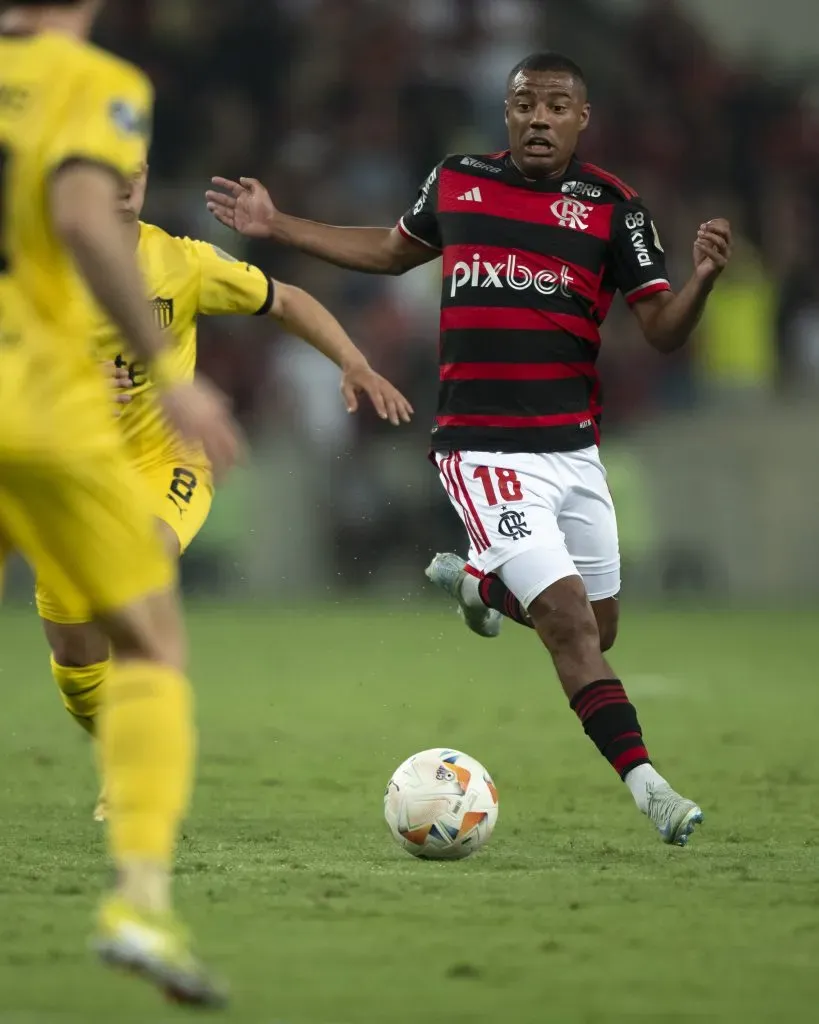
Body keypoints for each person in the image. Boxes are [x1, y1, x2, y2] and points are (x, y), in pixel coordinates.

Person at [206, 51, 732, 847]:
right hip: (482, 447)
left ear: (581, 118)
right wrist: (277, 225)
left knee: (597, 629)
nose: (538, 118)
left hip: (573, 449)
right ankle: (650, 789)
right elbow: (390, 250)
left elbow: (660, 330)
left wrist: (701, 282)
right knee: (566, 625)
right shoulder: (458, 181)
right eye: (525, 103)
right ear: (507, 111)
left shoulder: (613, 208)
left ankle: (478, 585)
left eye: (555, 105)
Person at [39, 162, 413, 823]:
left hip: (167, 462)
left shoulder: (181, 262)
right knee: (74, 659)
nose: (126, 183)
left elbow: (286, 300)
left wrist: (352, 361)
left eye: (136, 170)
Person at [0, 0, 237, 1005]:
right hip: (45, 406)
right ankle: (138, 902)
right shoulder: (97, 85)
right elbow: (76, 219)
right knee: (147, 644)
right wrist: (164, 369)